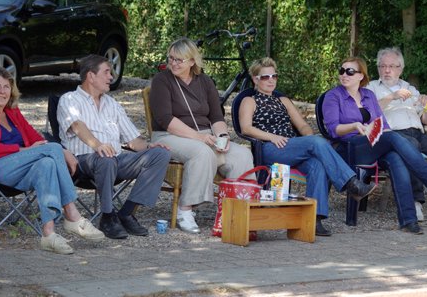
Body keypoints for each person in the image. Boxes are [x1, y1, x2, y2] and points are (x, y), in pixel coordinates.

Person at [0, 67, 105, 255]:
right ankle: (72, 215)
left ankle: (48, 234)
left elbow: (34, 136)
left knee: (46, 164)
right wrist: (28, 150)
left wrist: (59, 150)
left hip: (20, 169)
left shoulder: (12, 112)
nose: (2, 91)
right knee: (53, 149)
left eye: (6, 87)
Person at [238, 57, 376, 236]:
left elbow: (302, 126)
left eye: (274, 76)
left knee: (318, 164)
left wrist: (310, 143)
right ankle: (351, 184)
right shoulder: (249, 101)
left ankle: (314, 220)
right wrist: (272, 137)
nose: (271, 80)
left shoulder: (283, 100)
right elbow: (246, 128)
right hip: (269, 148)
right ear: (256, 79)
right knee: (318, 141)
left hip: (292, 147)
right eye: (265, 77)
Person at [322, 56, 427, 234]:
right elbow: (333, 129)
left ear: (360, 75)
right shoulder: (333, 96)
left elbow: (382, 124)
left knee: (395, 158)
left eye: (350, 71)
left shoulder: (368, 96)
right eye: (342, 70)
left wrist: (378, 130)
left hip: (372, 144)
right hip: (348, 147)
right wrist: (355, 126)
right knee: (394, 138)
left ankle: (408, 220)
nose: (344, 75)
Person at [57, 54, 171, 239]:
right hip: (83, 161)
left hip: (116, 160)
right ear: (91, 76)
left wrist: (150, 146)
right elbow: (77, 126)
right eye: (107, 72)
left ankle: (127, 212)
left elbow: (133, 141)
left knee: (160, 154)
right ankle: (107, 217)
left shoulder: (112, 104)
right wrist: (98, 145)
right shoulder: (70, 100)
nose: (111, 77)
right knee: (106, 158)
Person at [149, 37, 255, 234]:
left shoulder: (205, 81)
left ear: (192, 61)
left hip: (205, 135)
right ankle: (185, 210)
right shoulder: (162, 80)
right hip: (169, 135)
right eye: (171, 58)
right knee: (201, 152)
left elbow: (216, 115)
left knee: (242, 154)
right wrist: (199, 138)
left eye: (179, 60)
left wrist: (222, 136)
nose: (173, 63)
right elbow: (165, 120)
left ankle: (237, 212)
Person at [367, 47, 427, 221]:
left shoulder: (411, 89)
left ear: (400, 69)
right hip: (393, 136)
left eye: (392, 66)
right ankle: (416, 203)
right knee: (411, 147)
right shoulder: (371, 89)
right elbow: (369, 113)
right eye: (383, 66)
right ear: (378, 68)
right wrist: (392, 96)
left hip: (419, 133)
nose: (387, 70)